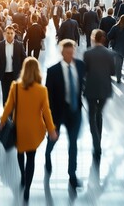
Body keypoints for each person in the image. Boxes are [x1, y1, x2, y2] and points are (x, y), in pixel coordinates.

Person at [0, 57, 58, 202]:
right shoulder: (42, 90)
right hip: (34, 130)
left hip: (19, 128)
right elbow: (46, 112)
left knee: (20, 153)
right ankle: (27, 189)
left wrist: (2, 120)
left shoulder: (16, 86)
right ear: (37, 71)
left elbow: (8, 105)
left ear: (24, 70)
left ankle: (23, 177)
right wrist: (51, 129)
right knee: (31, 158)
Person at [44, 39, 85, 189]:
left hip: (75, 111)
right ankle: (47, 155)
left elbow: (82, 85)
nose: (70, 55)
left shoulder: (80, 66)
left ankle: (72, 175)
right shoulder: (53, 71)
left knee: (73, 143)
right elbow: (48, 96)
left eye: (72, 52)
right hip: (57, 112)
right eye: (67, 52)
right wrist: (48, 119)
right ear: (62, 53)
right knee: (53, 139)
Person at [83, 29, 115, 166]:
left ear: (93, 38)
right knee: (99, 114)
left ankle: (96, 145)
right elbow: (113, 72)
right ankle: (99, 139)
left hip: (91, 88)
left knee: (91, 116)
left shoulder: (88, 53)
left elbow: (84, 71)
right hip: (105, 89)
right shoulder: (109, 53)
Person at [0, 25, 26, 105]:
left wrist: (23, 72)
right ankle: (6, 113)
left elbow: (24, 59)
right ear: (5, 34)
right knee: (5, 94)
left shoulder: (19, 45)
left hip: (16, 74)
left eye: (11, 33)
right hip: (4, 74)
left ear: (14, 34)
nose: (10, 35)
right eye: (8, 33)